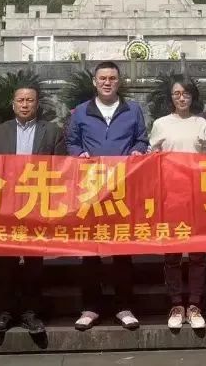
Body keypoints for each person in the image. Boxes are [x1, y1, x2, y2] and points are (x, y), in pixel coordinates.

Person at [65, 60, 149, 332]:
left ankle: (124, 306)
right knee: (90, 250)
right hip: (90, 188)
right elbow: (72, 141)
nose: (107, 82)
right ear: (94, 82)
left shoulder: (133, 110)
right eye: (102, 78)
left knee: (123, 249)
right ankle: (90, 307)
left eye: (112, 78)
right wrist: (79, 156)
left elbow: (141, 139)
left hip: (123, 187)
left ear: (119, 81)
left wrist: (137, 151)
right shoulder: (81, 112)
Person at [0, 83, 65, 335]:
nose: (25, 104)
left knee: (33, 262)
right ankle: (5, 312)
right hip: (6, 204)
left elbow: (62, 168)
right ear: (13, 104)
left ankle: (31, 313)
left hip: (37, 203)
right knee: (5, 261)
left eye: (30, 100)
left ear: (37, 103)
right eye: (21, 100)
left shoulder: (51, 132)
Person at [148, 75, 206, 330]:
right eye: (177, 94)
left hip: (197, 196)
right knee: (172, 254)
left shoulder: (202, 123)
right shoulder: (161, 124)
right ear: (171, 97)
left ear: (193, 96)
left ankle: (195, 304)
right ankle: (176, 304)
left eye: (186, 93)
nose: (181, 98)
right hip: (170, 196)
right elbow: (151, 159)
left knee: (197, 254)